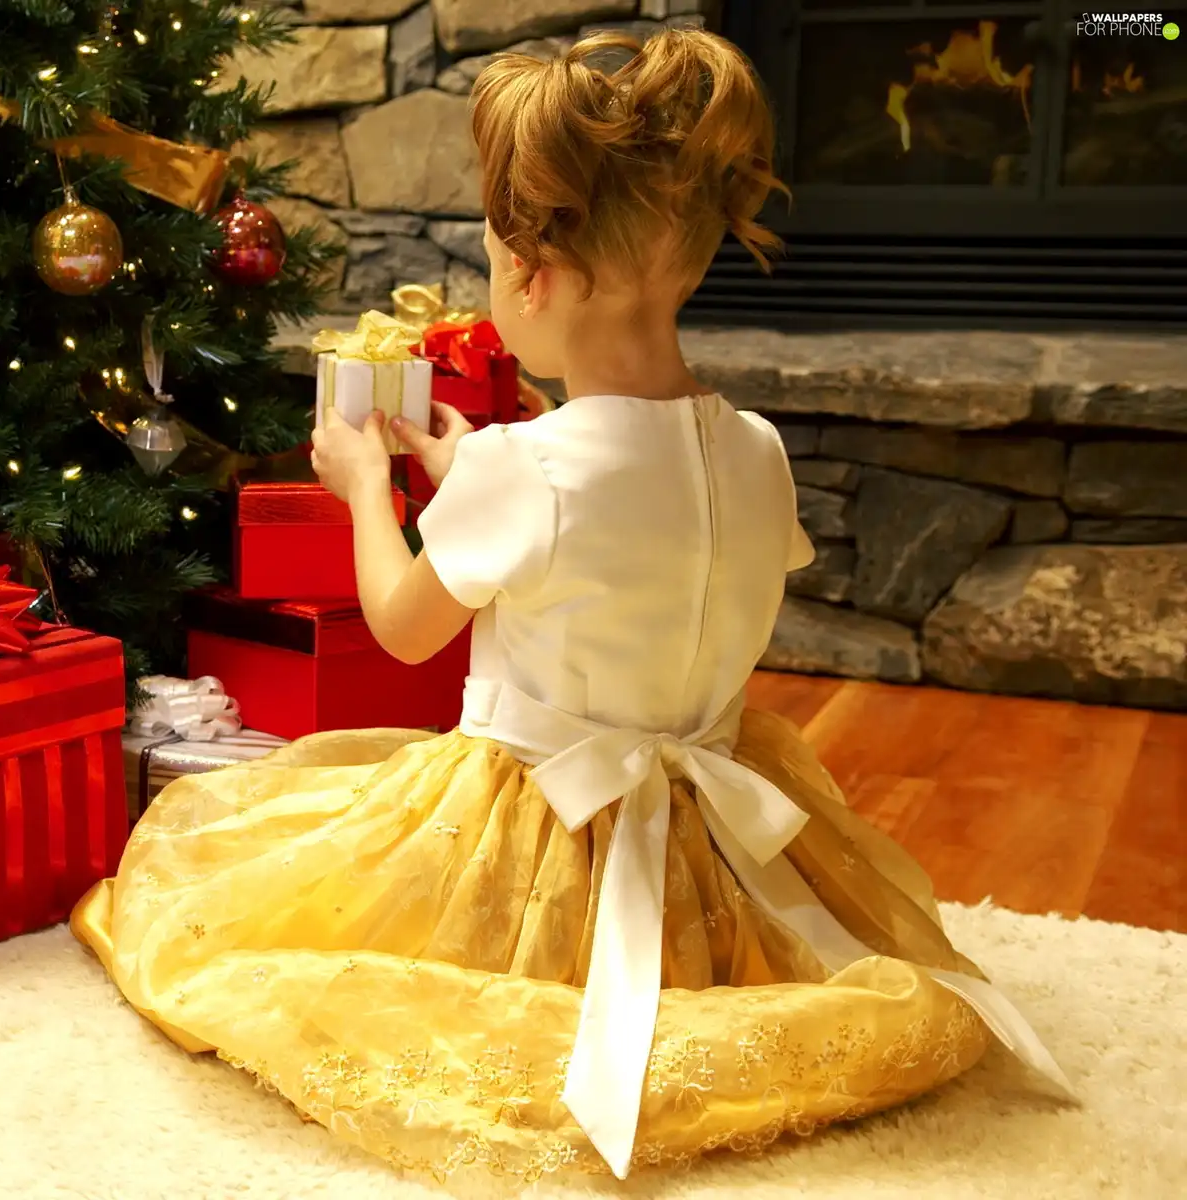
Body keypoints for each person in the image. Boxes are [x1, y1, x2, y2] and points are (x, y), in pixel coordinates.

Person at [70, 27, 1071, 1183]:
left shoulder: (530, 470)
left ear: (535, 279)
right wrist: (469, 472)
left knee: (246, 912)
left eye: (498, 271)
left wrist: (362, 490)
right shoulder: (752, 448)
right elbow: (629, 535)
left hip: (538, 825)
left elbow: (403, 624)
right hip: (712, 824)